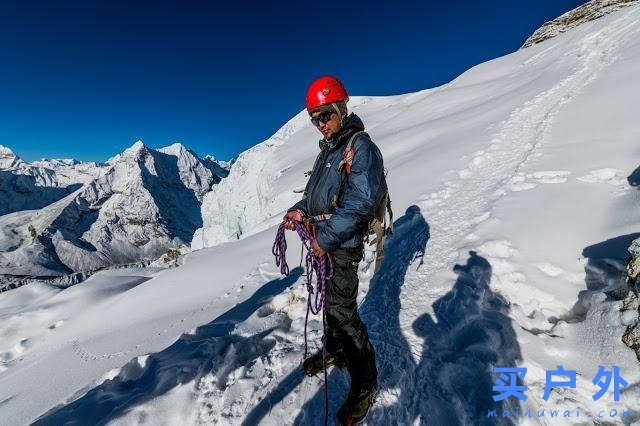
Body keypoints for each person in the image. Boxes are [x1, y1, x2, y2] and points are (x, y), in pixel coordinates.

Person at [284, 76, 383, 425]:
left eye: (325, 116)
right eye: (315, 119)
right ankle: (335, 348)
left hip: (341, 245)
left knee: (343, 311)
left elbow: (359, 204)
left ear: (341, 109)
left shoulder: (360, 148)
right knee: (329, 301)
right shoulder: (330, 150)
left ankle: (366, 383)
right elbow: (318, 197)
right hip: (325, 241)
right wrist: (300, 209)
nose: (320, 124)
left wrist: (323, 241)